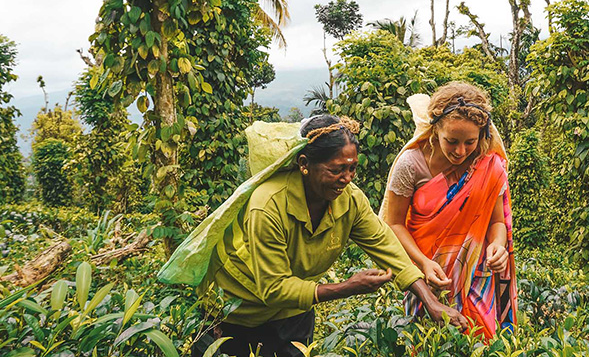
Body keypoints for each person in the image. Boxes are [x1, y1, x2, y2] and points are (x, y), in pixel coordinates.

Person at [185, 115, 467, 357]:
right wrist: (347, 287)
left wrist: (431, 301)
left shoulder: (349, 199)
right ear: (305, 164)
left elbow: (385, 245)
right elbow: (272, 288)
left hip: (294, 309)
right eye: (336, 170)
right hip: (238, 309)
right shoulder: (268, 204)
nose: (346, 178)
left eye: (352, 168)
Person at [381, 82, 517, 339]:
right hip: (426, 276)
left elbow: (496, 222)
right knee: (425, 342)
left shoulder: (489, 165)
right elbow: (394, 223)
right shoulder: (411, 165)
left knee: (479, 343)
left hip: (476, 275)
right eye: (451, 141)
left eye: (470, 142)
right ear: (435, 130)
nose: (461, 151)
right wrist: (423, 262)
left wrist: (498, 245)